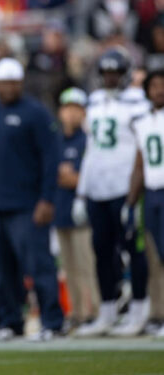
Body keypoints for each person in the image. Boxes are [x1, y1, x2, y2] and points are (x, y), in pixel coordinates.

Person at [0, 57, 64, 341]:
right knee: (1, 269)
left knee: (39, 265)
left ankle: (52, 321)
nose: (8, 87)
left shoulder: (36, 113)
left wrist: (47, 199)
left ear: (21, 83)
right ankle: (10, 322)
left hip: (28, 205)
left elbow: (50, 159)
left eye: (13, 82)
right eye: (3, 82)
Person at [75, 48, 151, 337]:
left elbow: (143, 146)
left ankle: (139, 310)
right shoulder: (93, 102)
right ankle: (107, 311)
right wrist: (82, 193)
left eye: (115, 73)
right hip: (97, 188)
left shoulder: (137, 103)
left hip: (125, 187)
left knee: (134, 250)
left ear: (125, 74)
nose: (110, 78)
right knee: (102, 252)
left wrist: (135, 191)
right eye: (106, 73)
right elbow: (90, 150)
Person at [53, 88, 101, 331]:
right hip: (61, 211)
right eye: (67, 108)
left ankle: (94, 312)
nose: (70, 114)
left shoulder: (88, 140)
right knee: (68, 268)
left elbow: (88, 176)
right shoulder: (56, 140)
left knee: (86, 266)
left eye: (76, 109)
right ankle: (77, 312)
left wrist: (73, 178)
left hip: (83, 212)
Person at [126, 69, 164, 337]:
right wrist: (129, 202)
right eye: (154, 86)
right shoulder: (141, 121)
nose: (159, 90)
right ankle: (158, 313)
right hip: (151, 193)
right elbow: (139, 164)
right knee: (155, 256)